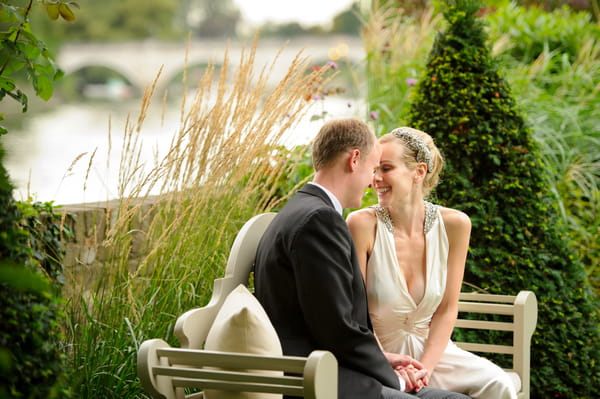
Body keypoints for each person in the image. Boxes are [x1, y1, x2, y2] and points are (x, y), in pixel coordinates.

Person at [254, 118, 471, 399]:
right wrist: (396, 380)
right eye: (372, 168)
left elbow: (332, 318)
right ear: (355, 160)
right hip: (322, 380)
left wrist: (385, 359)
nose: (372, 181)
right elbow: (336, 328)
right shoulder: (319, 220)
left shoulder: (302, 209)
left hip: (330, 369)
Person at [346, 126, 517, 399]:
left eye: (386, 168)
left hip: (434, 354)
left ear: (419, 171)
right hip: (379, 354)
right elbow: (357, 312)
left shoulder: (455, 225)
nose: (374, 179)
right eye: (373, 169)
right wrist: (386, 364)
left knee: (498, 384)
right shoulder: (362, 224)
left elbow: (447, 309)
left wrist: (424, 369)